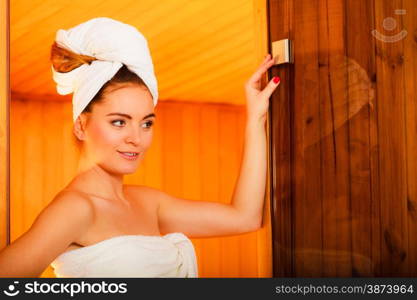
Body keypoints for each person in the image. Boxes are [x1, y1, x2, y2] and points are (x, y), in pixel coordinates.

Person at [0, 17, 280, 277]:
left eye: (146, 123)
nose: (137, 138)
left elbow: (244, 217)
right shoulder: (75, 209)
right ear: (81, 126)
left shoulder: (148, 202)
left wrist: (255, 119)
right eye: (119, 122)